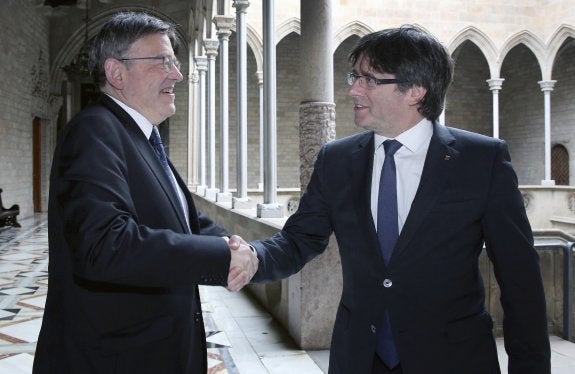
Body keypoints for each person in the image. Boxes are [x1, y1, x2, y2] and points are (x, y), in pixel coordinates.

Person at [231, 25, 551, 373]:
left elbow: (520, 280)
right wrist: (254, 257)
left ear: (415, 91)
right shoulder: (336, 160)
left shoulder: (481, 160)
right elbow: (299, 239)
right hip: (360, 359)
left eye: (369, 80)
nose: (352, 88)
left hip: (452, 359)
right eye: (355, 76)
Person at [33, 11, 257, 374]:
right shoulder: (94, 132)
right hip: (116, 359)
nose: (177, 74)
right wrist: (219, 256)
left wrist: (233, 244)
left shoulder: (138, 135)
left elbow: (177, 213)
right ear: (116, 72)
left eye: (175, 61)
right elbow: (104, 244)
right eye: (162, 62)